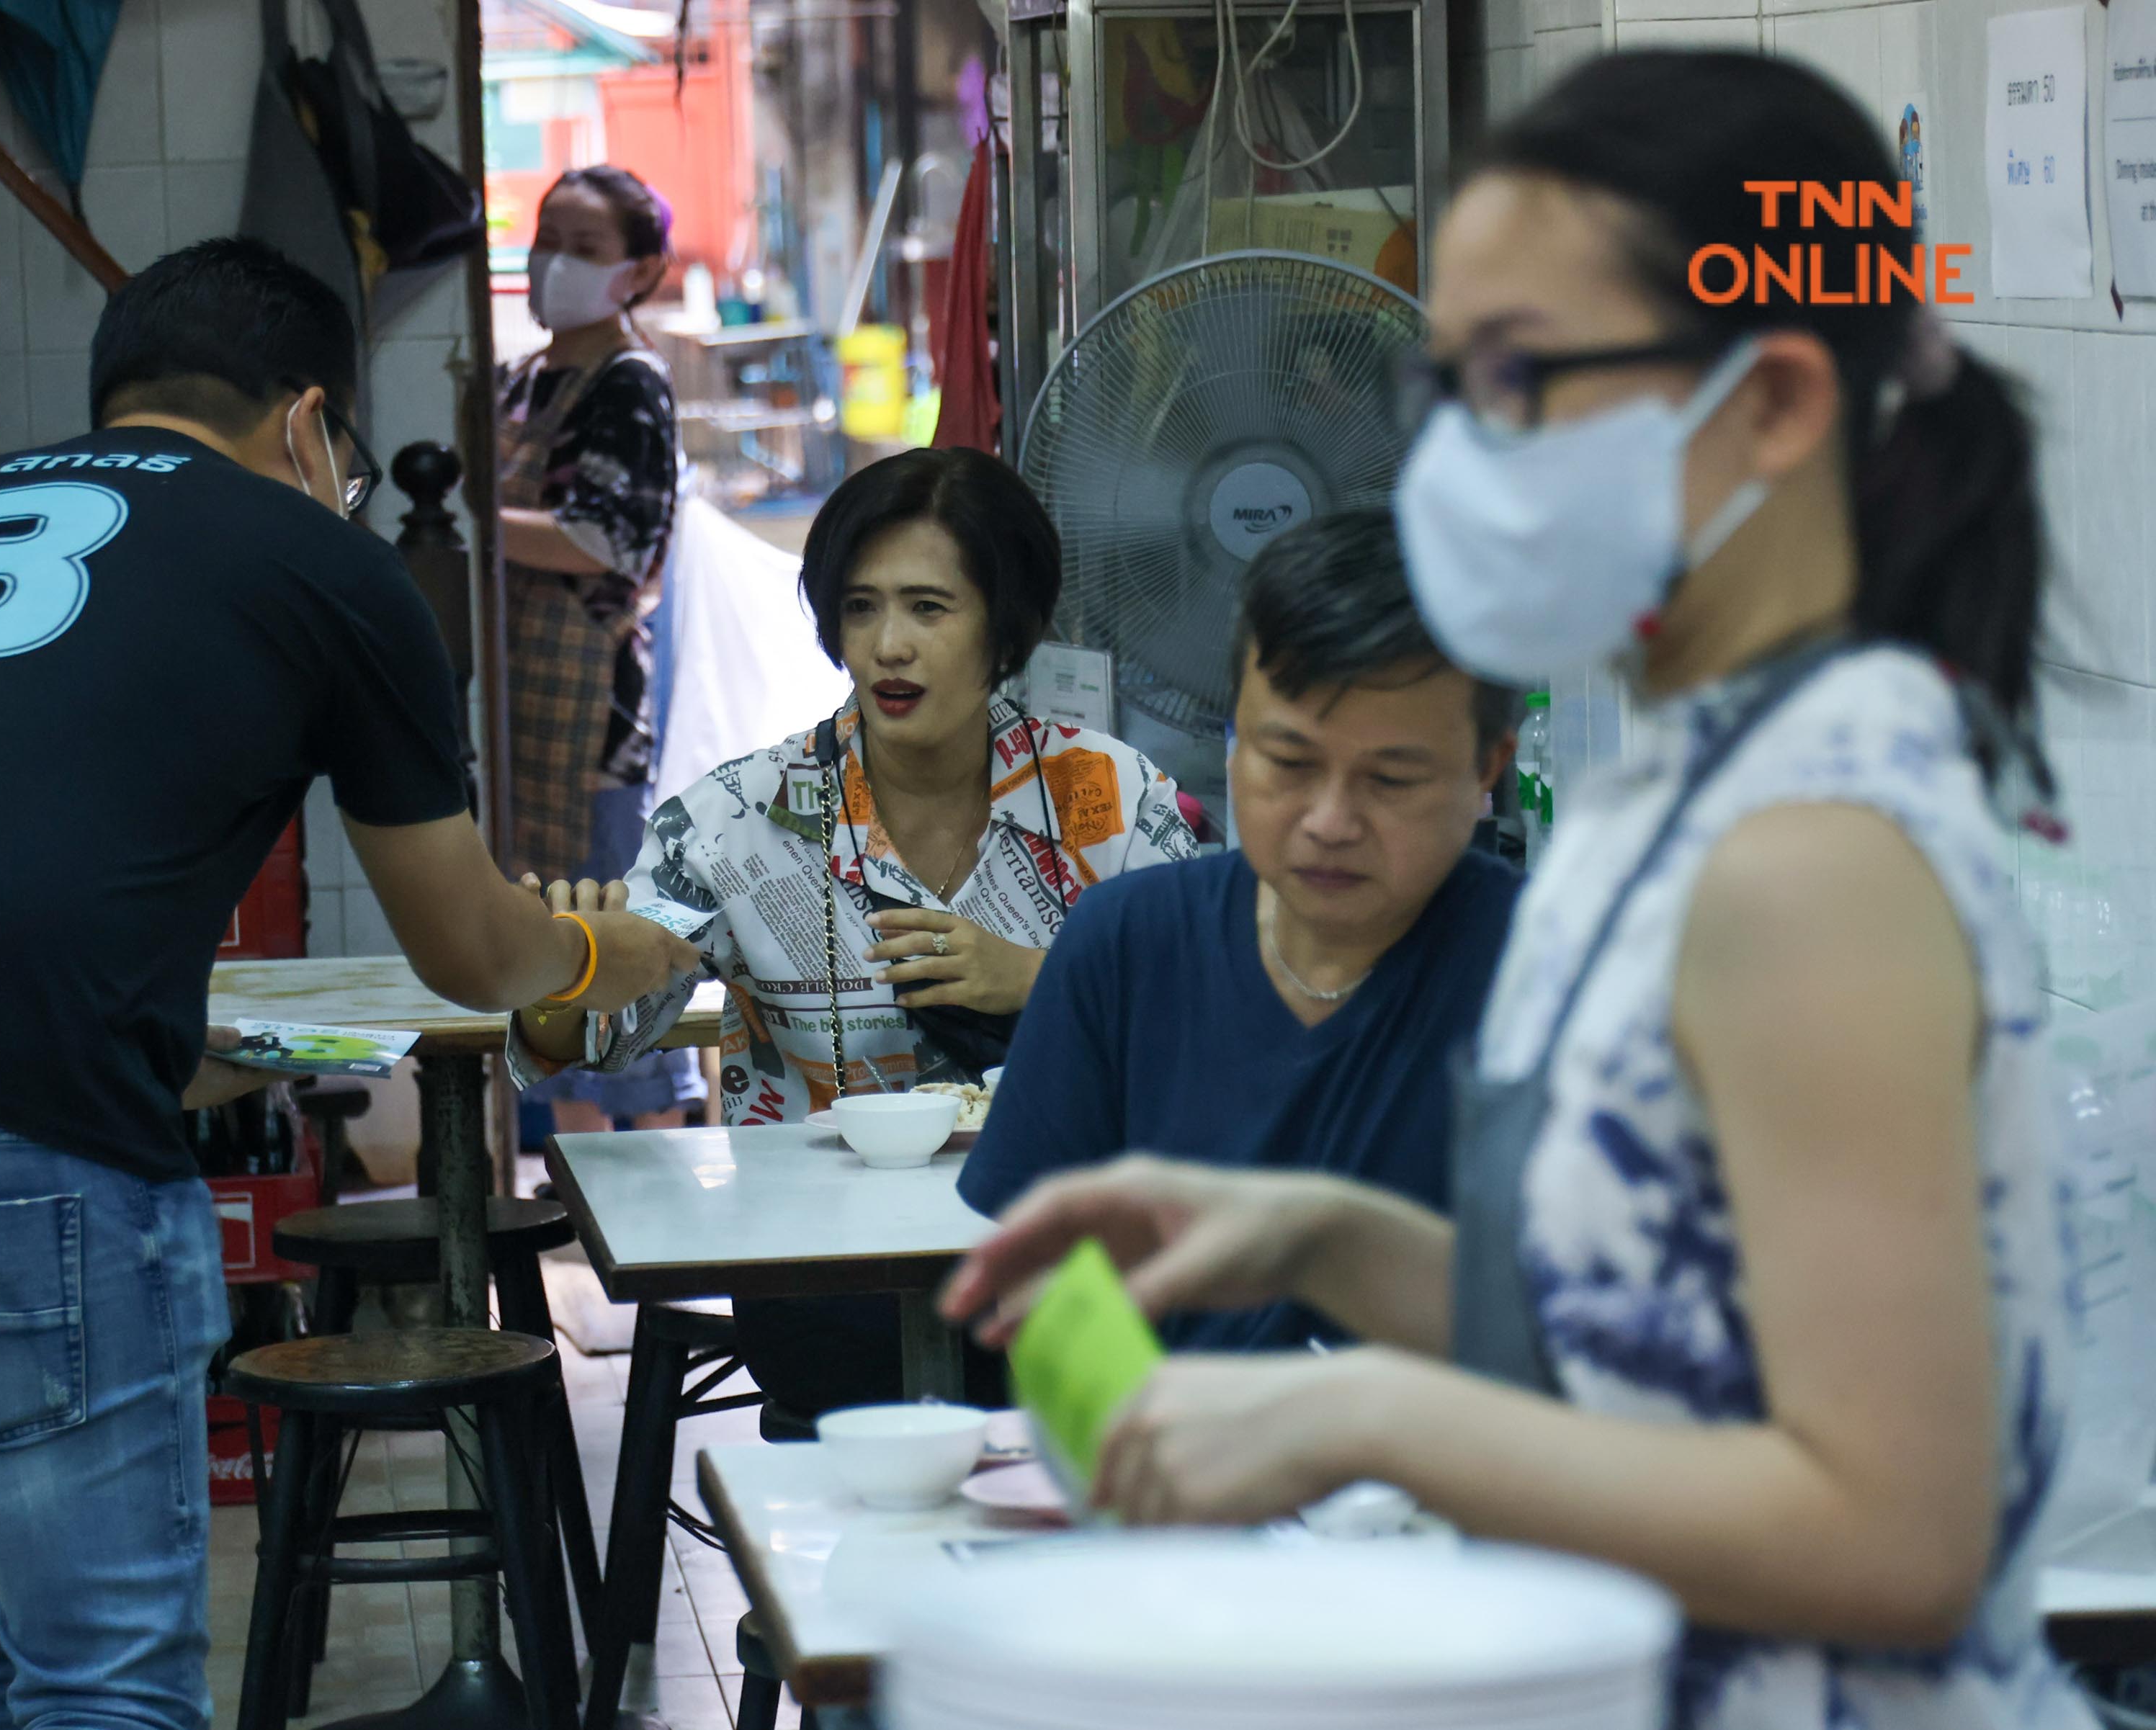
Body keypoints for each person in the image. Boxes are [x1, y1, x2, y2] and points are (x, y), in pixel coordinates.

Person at [944, 50, 2093, 1730]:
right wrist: (1327, 1239)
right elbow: (1634, 1348)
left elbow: (1893, 1534)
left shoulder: (1814, 856)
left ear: (1770, 403)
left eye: (1520, 381)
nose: (1457, 456)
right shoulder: (1667, 791)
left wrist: (1360, 1422)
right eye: (1444, 387)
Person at [0, 238, 696, 1730]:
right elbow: (473, 954)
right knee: (99, 1679)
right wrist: (621, 952)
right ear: (305, 422)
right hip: (9, 1136)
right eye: (340, 453)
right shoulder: (324, 560)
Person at [511, 446, 1198, 1412]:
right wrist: (566, 980)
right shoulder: (740, 816)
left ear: (1006, 629)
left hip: (1075, 1259)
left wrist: (1044, 981)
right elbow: (588, 1031)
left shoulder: (1112, 798)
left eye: (929, 607)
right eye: (862, 607)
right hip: (827, 1280)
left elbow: (1228, 1012)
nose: (889, 646)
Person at [955, 508, 1519, 1352]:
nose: (1330, 821)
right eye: (1288, 762)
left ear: (1487, 769)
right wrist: (1144, 1437)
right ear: (1232, 742)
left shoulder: (1554, 970)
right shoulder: (1125, 945)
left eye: (1391, 778)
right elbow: (1038, 1271)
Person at [499, 162, 704, 1134]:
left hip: (595, 724)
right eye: (548, 239)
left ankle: (658, 1199)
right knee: (549, 958)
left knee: (606, 949)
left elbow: (611, 540)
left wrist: (475, 523)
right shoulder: (517, 379)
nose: (554, 265)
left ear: (638, 271)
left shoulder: (631, 385)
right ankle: (580, 1201)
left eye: (584, 250)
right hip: (522, 714)